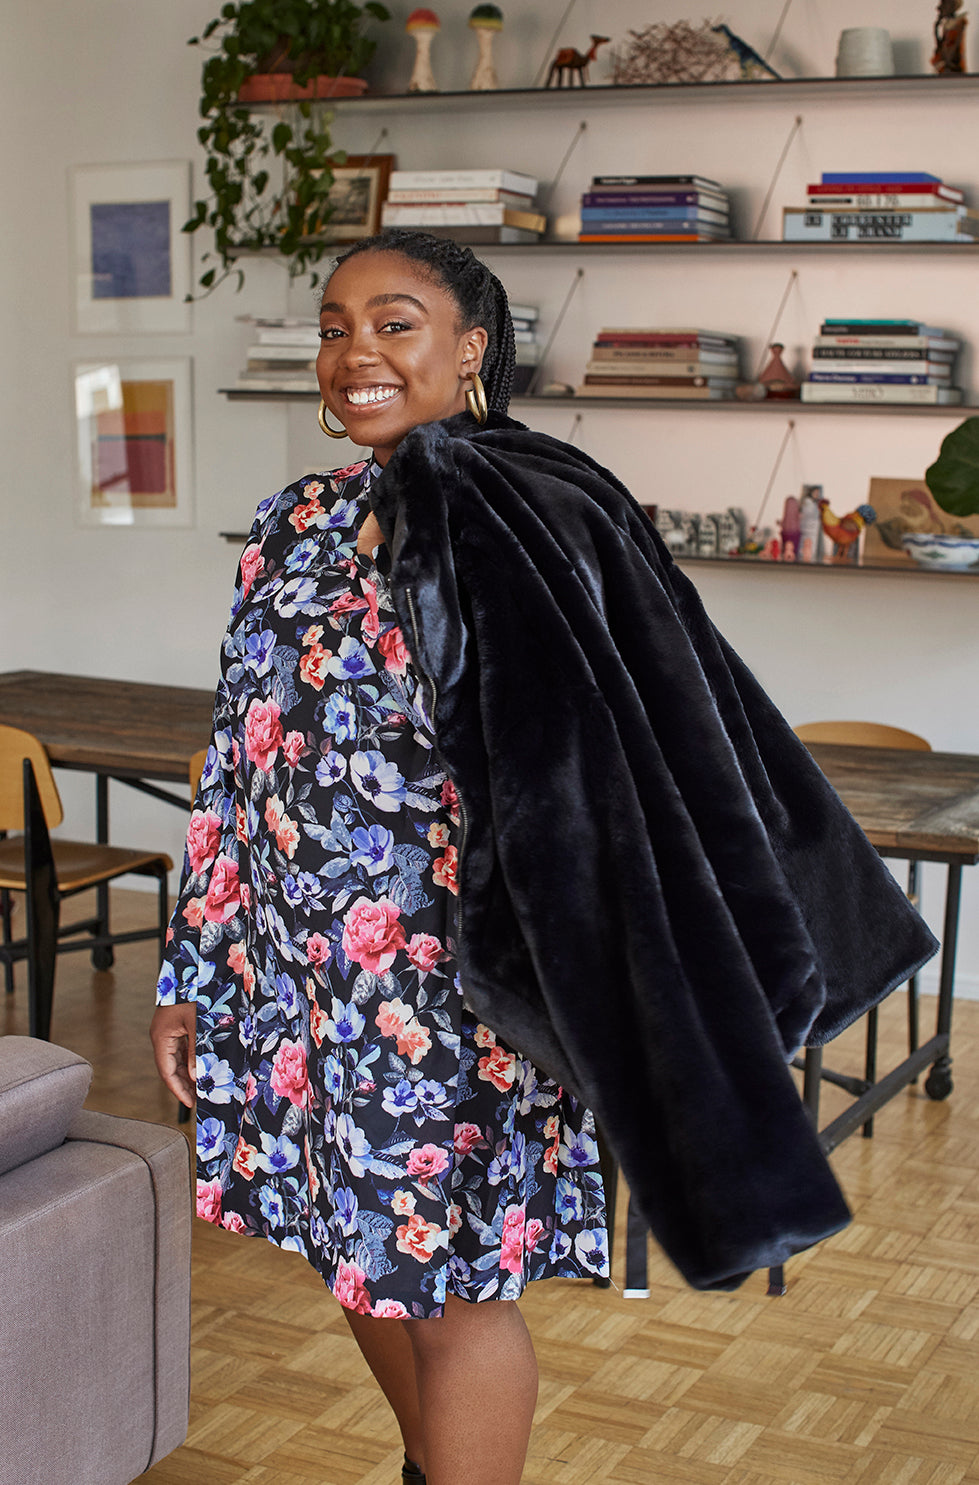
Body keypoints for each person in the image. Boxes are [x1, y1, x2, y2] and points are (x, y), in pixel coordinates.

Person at [151, 231, 610, 1485]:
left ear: (470, 349)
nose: (355, 351)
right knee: (347, 1246)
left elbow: (592, 775)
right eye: (334, 326)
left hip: (451, 991)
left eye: (395, 323)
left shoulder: (533, 520)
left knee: (450, 1285)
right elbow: (233, 760)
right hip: (294, 975)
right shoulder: (292, 522)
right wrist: (193, 970)